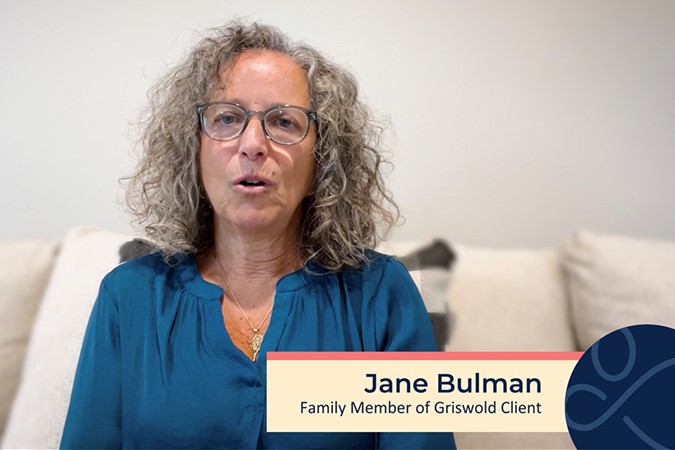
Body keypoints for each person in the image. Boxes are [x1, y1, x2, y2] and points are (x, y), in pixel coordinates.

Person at [60, 21, 456, 449]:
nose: (253, 144)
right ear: (192, 150)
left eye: (284, 122)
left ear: (324, 158)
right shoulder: (129, 295)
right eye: (227, 118)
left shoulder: (380, 293)